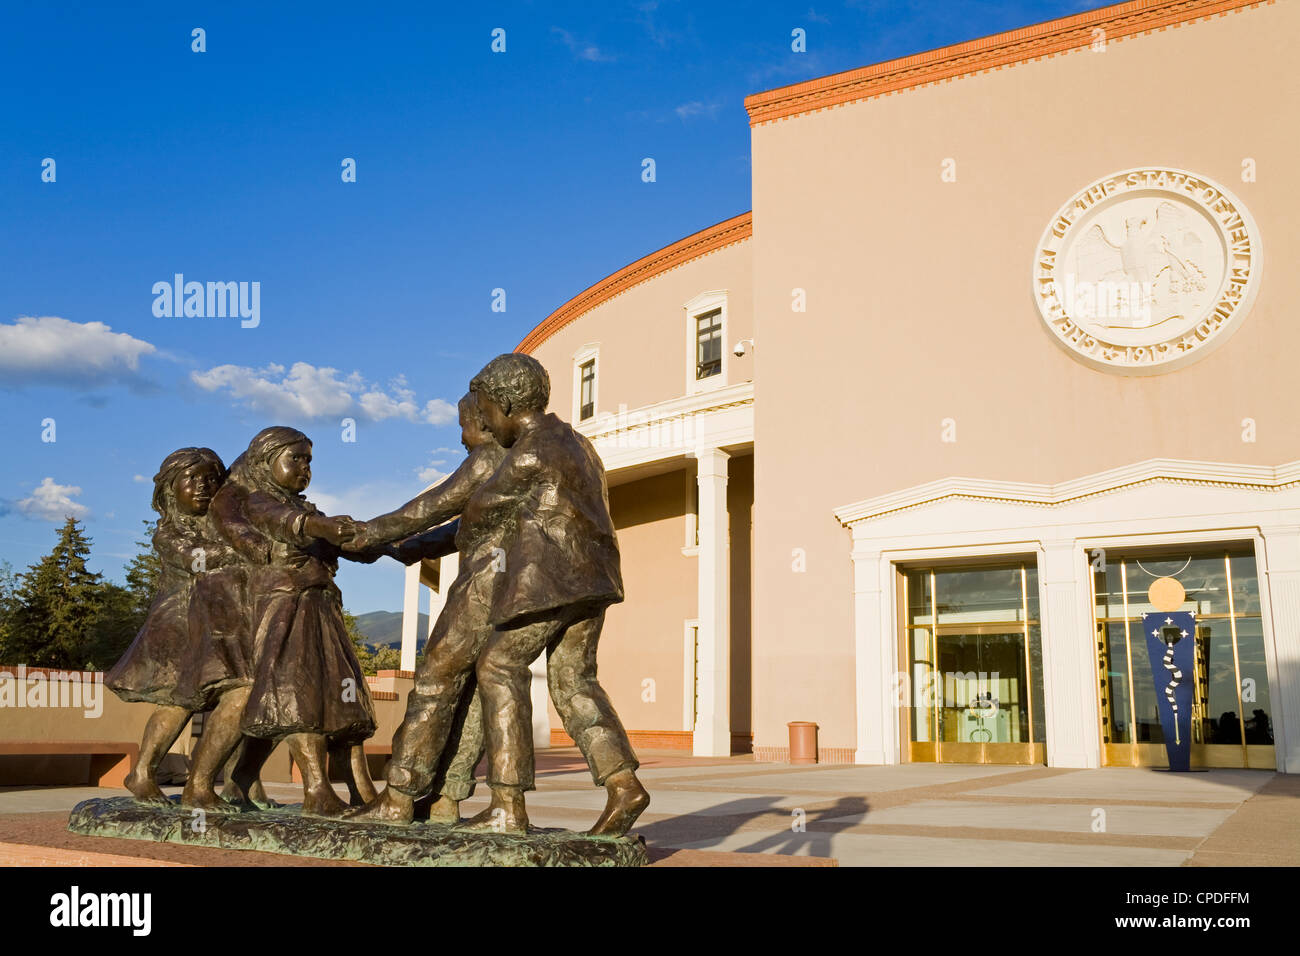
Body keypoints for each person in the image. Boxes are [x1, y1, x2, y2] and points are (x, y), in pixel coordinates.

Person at [348, 354, 648, 836]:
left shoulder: (528, 452)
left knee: (497, 667)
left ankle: (508, 805)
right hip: (594, 582)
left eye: (485, 409)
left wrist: (372, 535)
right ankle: (622, 783)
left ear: (506, 403)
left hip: (547, 583)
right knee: (574, 682)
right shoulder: (578, 443)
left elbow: (470, 514)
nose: (482, 420)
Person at [197, 426, 377, 817]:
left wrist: (389, 539)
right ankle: (316, 791)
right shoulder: (254, 500)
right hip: (282, 606)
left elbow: (349, 542)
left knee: (332, 696)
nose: (305, 467)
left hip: (319, 604)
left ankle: (241, 782)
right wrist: (314, 530)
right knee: (298, 691)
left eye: (309, 460)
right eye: (295, 458)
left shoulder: (304, 508)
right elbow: (276, 521)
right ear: (265, 460)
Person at [107, 447, 268, 804]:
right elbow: (197, 559)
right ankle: (147, 773)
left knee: (242, 694)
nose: (202, 486)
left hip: (220, 627)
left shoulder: (223, 522)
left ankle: (228, 782)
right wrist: (244, 548)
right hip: (179, 628)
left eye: (211, 479)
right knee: (182, 702)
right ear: (170, 487)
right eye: (191, 478)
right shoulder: (167, 532)